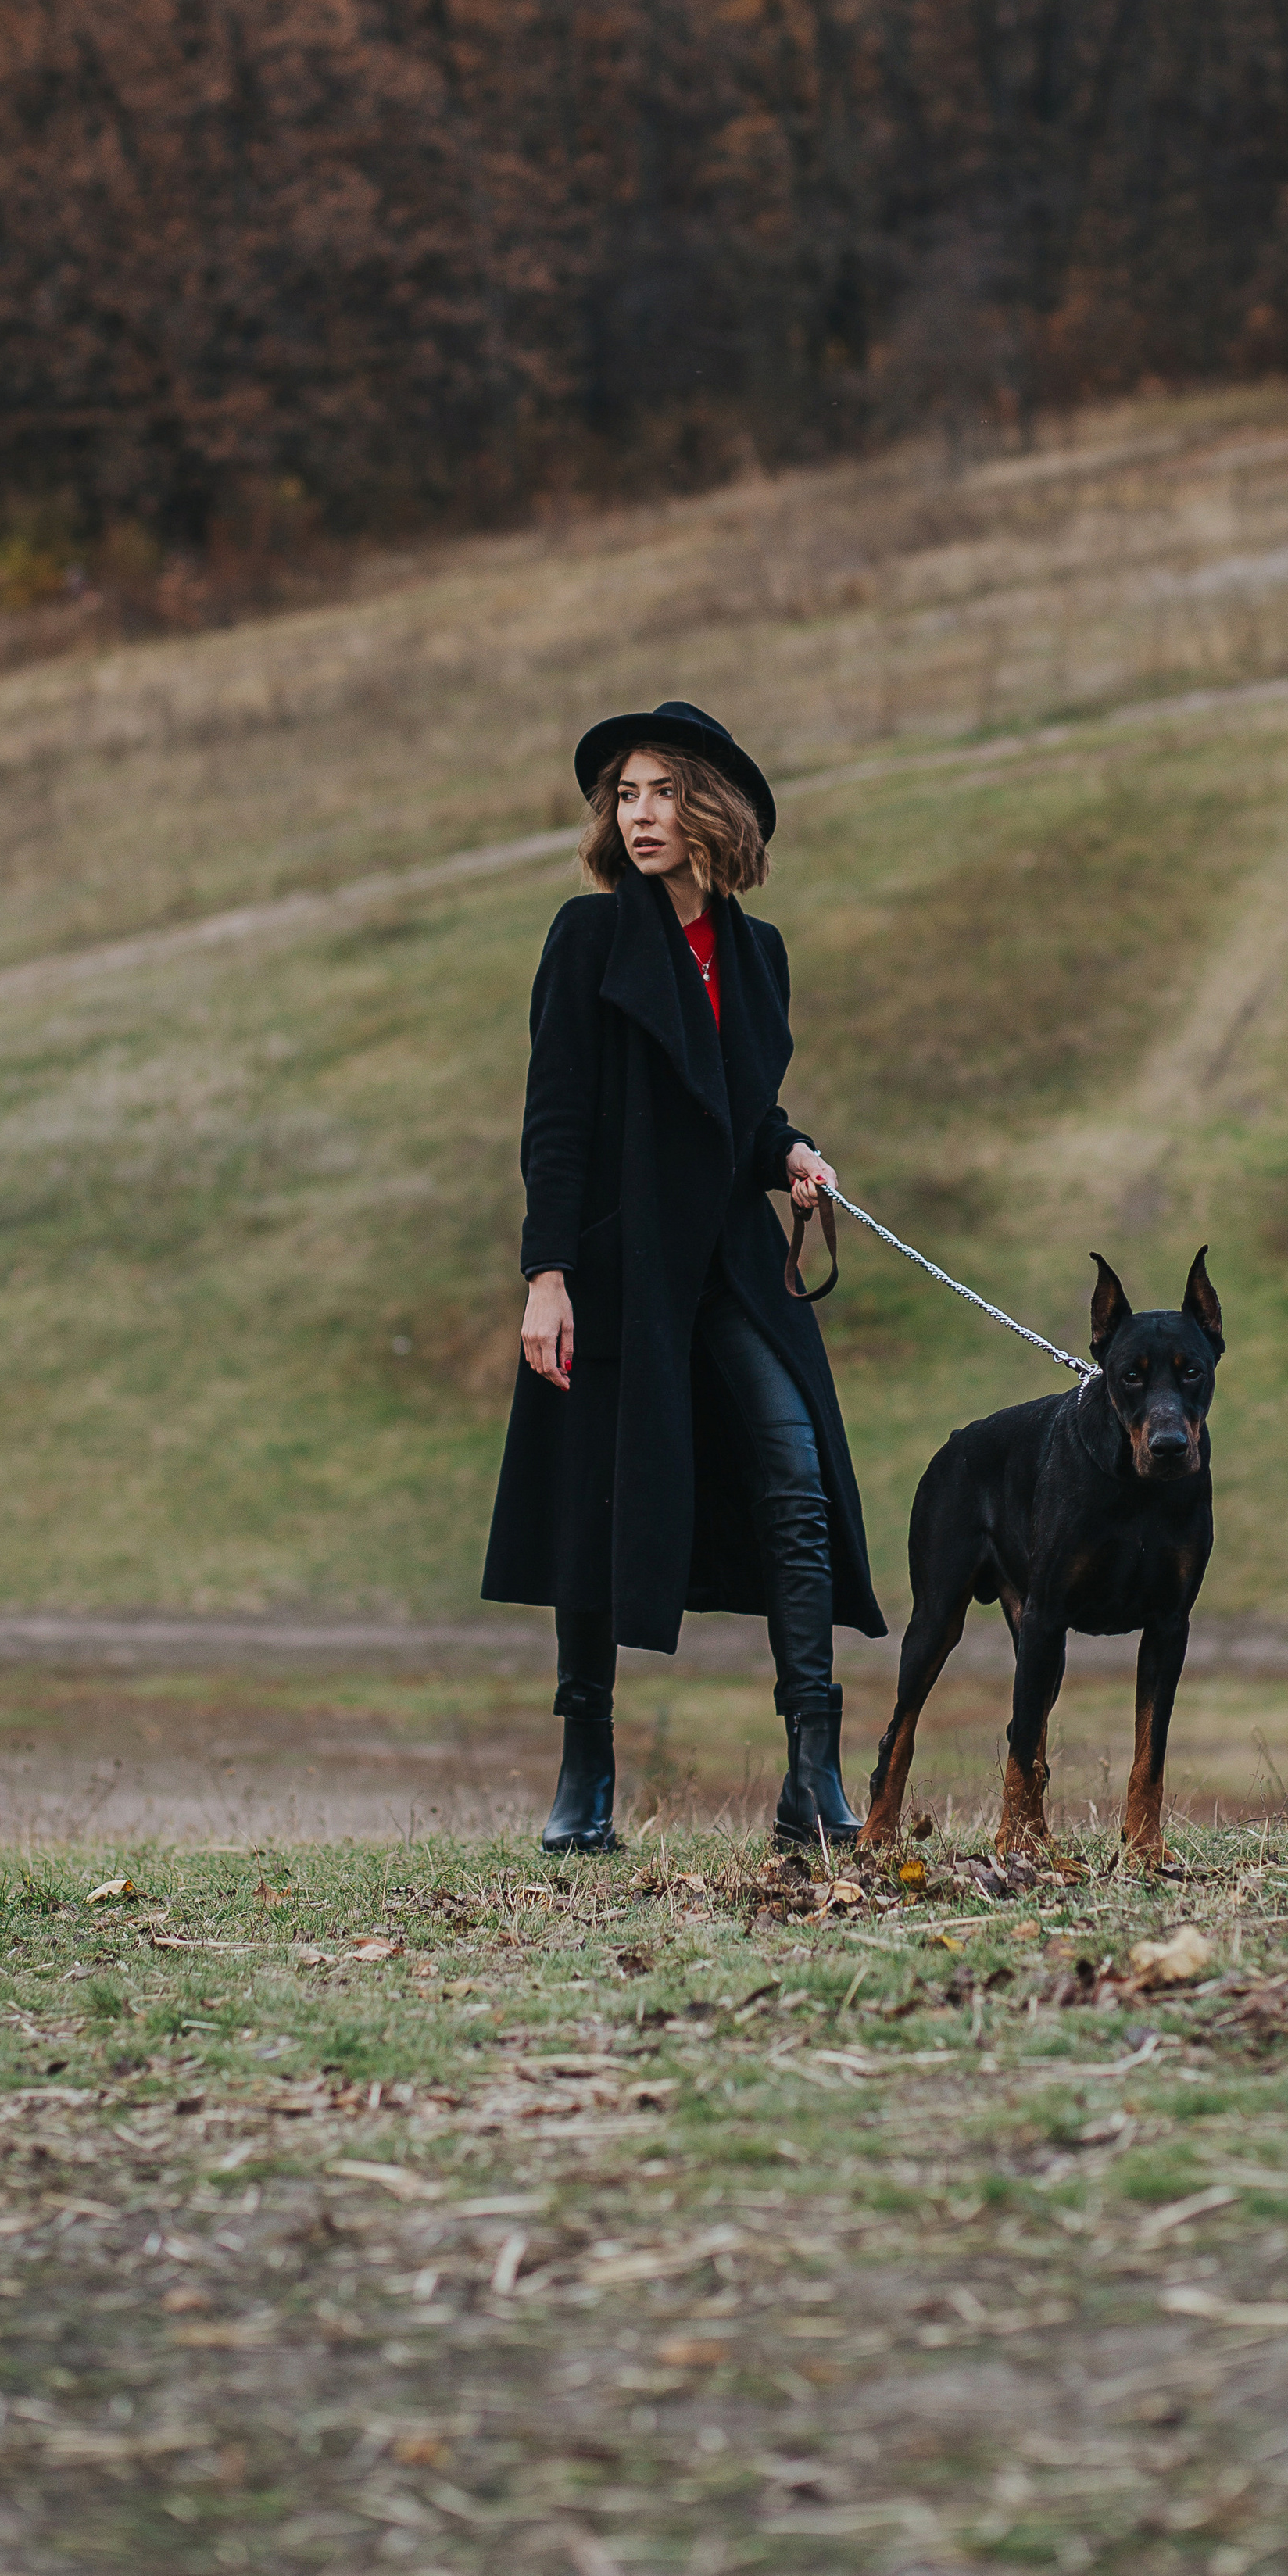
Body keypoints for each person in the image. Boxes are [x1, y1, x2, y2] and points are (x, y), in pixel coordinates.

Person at [480, 700, 884, 1854]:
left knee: (798, 1477)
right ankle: (585, 1775)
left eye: (662, 791)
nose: (640, 813)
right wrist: (545, 1275)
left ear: (712, 808)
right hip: (617, 1273)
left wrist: (790, 1153)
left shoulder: (757, 955)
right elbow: (554, 1120)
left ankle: (812, 1771)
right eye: (626, 794)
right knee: (596, 1511)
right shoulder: (587, 939)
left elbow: (738, 1112)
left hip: (729, 1267)